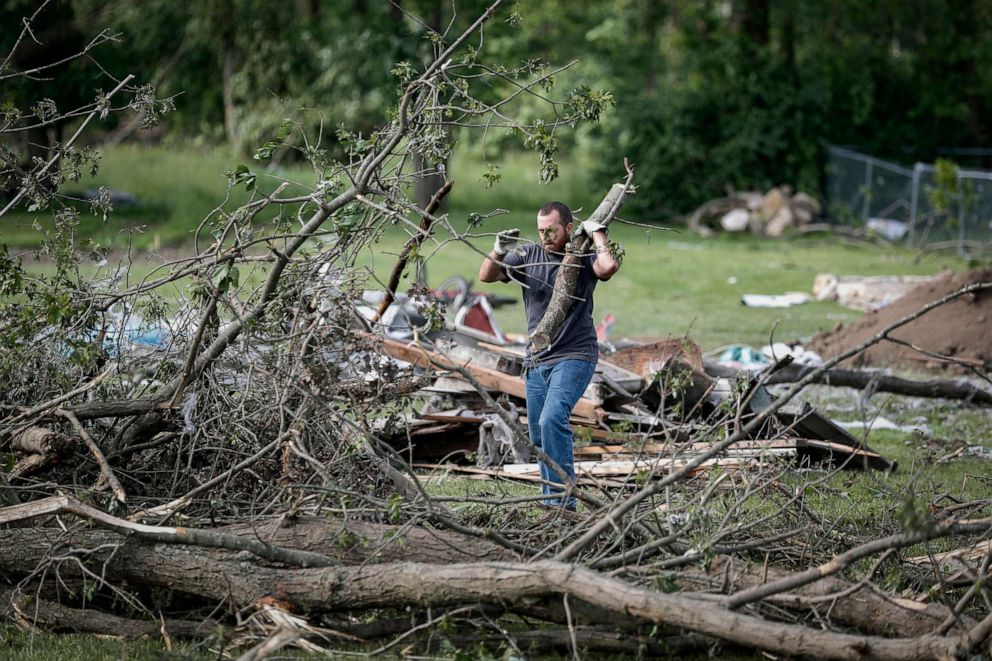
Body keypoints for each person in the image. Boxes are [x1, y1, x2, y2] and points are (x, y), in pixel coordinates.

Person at [478, 201, 619, 511]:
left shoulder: (581, 256)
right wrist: (499, 249)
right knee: (539, 433)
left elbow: (607, 267)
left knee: (553, 418)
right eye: (541, 230)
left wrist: (598, 236)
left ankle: (565, 504)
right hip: (537, 359)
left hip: (574, 354)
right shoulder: (528, 256)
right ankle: (550, 502)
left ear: (569, 228)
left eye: (552, 230)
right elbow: (487, 275)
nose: (545, 236)